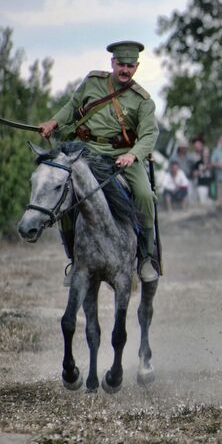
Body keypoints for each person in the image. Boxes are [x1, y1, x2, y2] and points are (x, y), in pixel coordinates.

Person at [39, 40, 161, 282]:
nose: (125, 70)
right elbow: (71, 107)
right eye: (121, 64)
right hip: (86, 151)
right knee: (65, 189)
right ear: (112, 63)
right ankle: (74, 259)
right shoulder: (92, 82)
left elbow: (150, 134)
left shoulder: (143, 100)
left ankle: (146, 257)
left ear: (137, 66)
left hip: (122, 156)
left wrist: (132, 154)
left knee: (145, 195)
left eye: (131, 65)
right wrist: (52, 122)